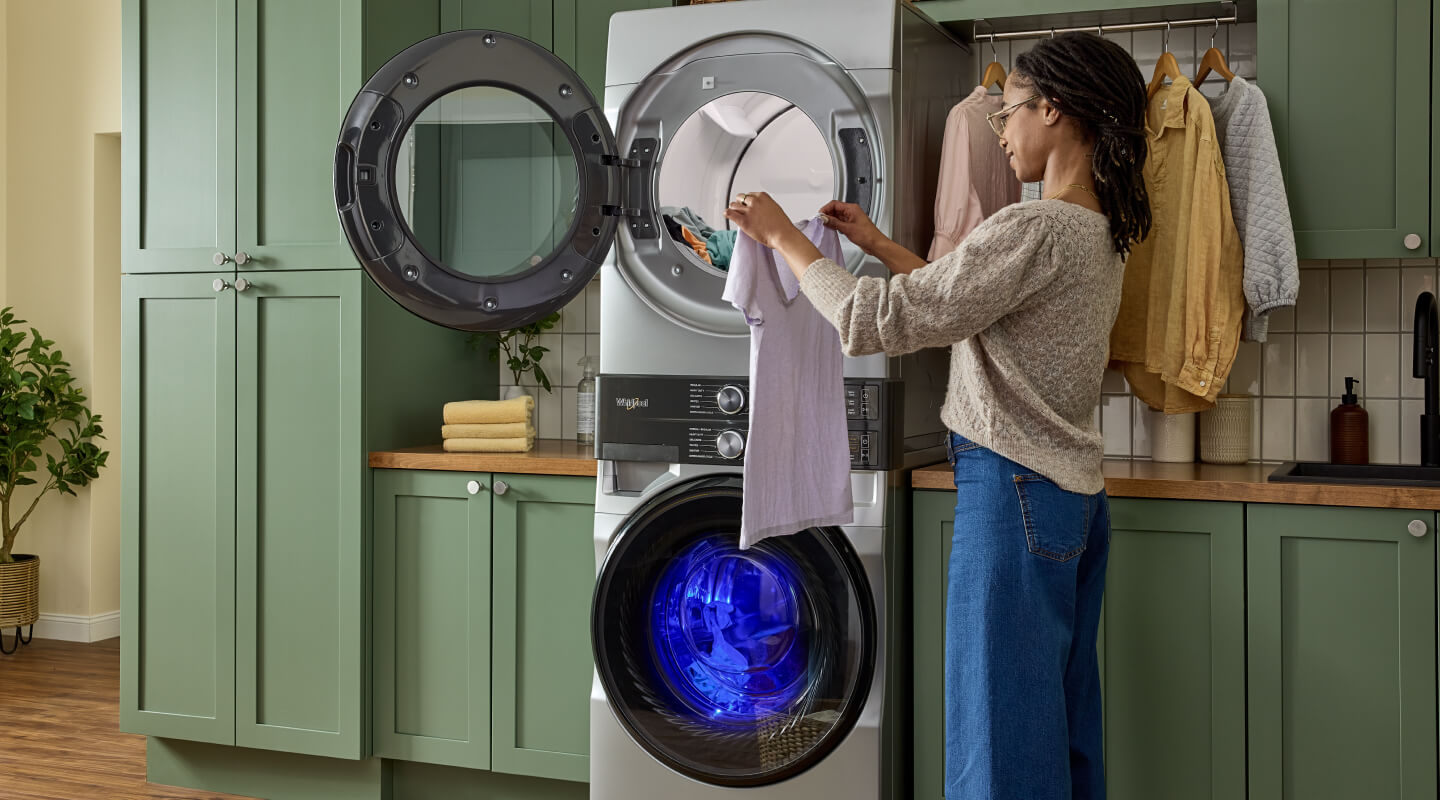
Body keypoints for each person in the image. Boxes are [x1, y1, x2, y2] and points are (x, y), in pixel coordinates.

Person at [724, 31, 1151, 800]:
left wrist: (782, 236)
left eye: (1010, 112)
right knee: (1057, 728)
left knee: (999, 740)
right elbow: (969, 306)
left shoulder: (1033, 226)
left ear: (1054, 110)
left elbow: (874, 321)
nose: (1003, 131)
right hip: (1073, 501)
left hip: (1013, 494)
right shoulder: (1098, 231)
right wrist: (879, 244)